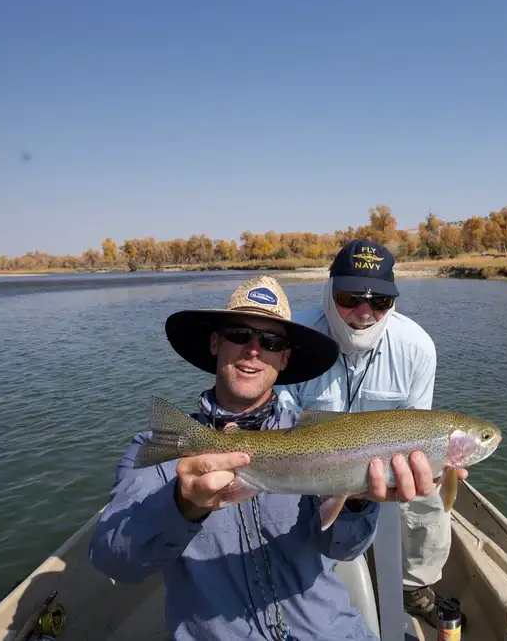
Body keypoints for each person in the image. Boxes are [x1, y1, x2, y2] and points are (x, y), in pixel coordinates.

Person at [88, 275, 440, 641]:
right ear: (215, 343)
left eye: (271, 341)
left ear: (285, 358)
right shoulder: (166, 446)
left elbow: (343, 549)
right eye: (240, 334)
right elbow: (114, 560)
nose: (253, 350)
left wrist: (355, 500)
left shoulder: (320, 437)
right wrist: (182, 505)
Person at [276, 239, 461, 628]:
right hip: (302, 460)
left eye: (380, 301)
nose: (365, 312)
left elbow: (418, 426)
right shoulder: (294, 337)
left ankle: (414, 584)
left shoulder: (417, 348)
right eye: (350, 297)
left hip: (382, 468)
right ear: (329, 290)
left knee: (429, 493)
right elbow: (278, 422)